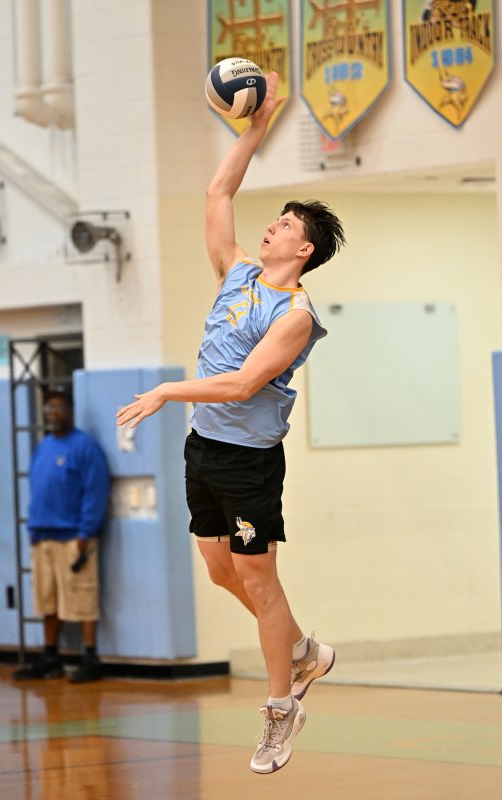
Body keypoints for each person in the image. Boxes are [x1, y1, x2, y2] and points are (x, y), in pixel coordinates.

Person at [116, 72, 345, 773]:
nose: (271, 225)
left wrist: (165, 389)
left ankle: (282, 709)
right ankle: (303, 649)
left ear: (301, 250)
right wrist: (255, 125)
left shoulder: (295, 315)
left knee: (257, 578)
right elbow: (218, 193)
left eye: (285, 225)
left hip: (247, 459)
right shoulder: (237, 272)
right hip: (202, 448)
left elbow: (245, 384)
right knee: (220, 571)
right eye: (273, 219)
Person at [13, 390, 110, 684]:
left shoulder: (84, 446)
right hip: (43, 535)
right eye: (48, 410)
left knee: (81, 595)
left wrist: (86, 531)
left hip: (74, 537)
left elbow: (96, 492)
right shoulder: (43, 446)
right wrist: (33, 529)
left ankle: (90, 657)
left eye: (58, 409)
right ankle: (50, 655)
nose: (52, 414)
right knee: (47, 598)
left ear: (70, 412)